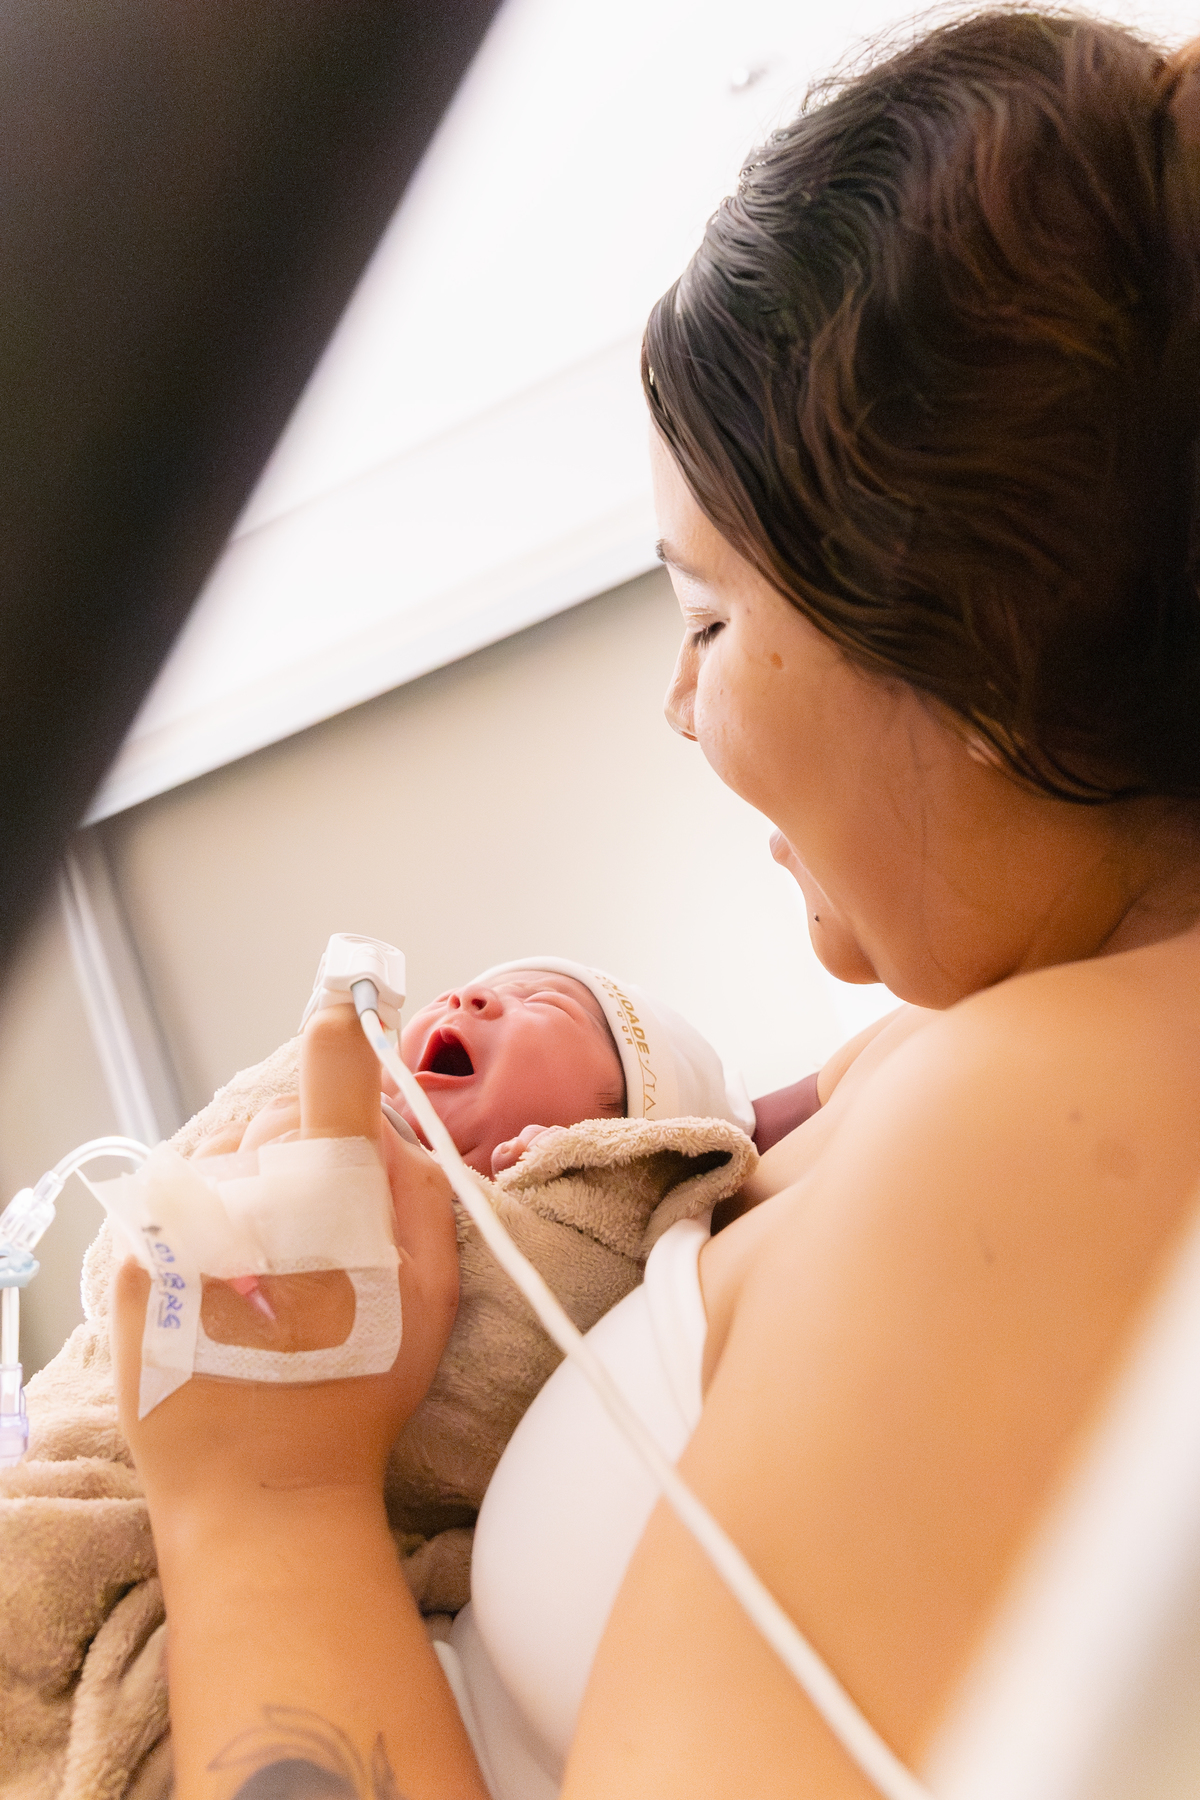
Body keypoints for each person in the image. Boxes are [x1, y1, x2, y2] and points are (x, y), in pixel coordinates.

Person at [112, 12, 1200, 1798]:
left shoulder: (1042, 1118)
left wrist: (259, 1497)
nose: (680, 705)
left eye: (708, 620)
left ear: (974, 647)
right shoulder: (983, 1053)